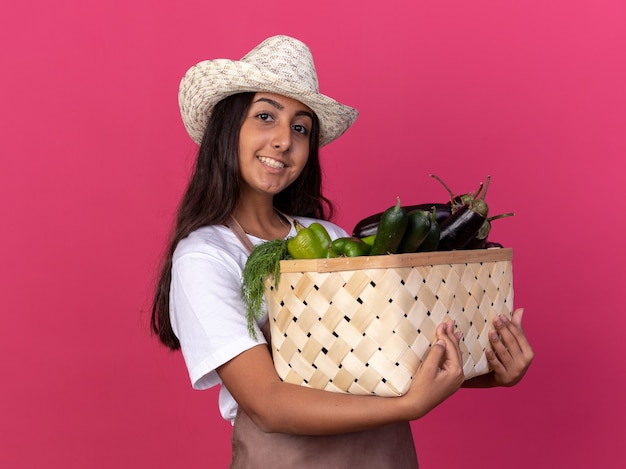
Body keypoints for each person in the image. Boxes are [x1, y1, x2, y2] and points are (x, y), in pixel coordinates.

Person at [151, 35, 534, 468]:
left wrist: (489, 369)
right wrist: (408, 408)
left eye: (300, 128)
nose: (283, 141)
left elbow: (393, 355)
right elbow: (267, 403)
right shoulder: (204, 256)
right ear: (228, 128)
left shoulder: (327, 234)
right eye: (265, 117)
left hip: (385, 454)